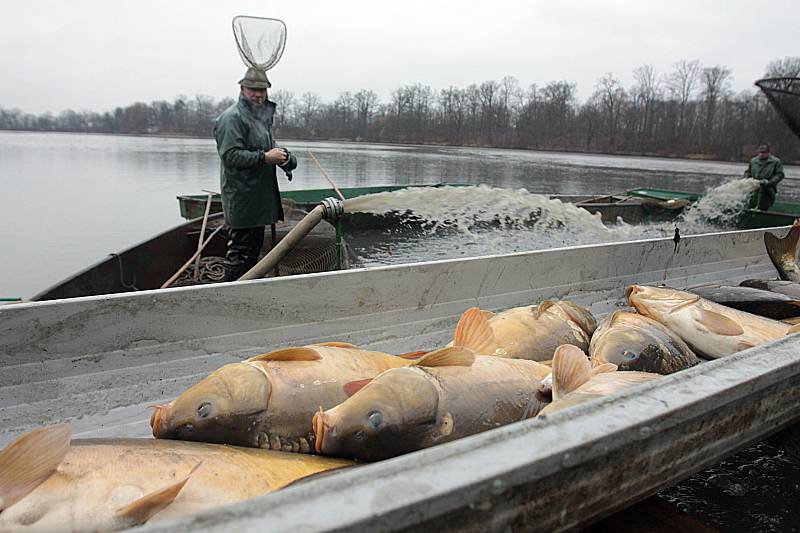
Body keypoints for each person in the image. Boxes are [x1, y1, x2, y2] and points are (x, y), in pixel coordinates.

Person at [214, 67, 297, 281]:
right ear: (242, 88)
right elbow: (230, 156)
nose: (258, 94)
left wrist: (287, 160)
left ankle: (244, 289)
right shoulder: (231, 118)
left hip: (259, 200)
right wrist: (265, 157)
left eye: (262, 90)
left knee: (252, 252)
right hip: (242, 198)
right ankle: (229, 293)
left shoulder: (260, 119)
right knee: (239, 252)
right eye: (253, 89)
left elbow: (271, 148)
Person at [744, 143, 784, 211]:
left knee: (764, 206)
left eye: (764, 152)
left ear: (768, 152)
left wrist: (770, 182)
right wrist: (747, 179)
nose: (761, 154)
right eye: (760, 152)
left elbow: (780, 174)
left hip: (768, 189)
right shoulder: (753, 161)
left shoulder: (775, 162)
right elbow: (748, 172)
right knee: (750, 204)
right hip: (754, 188)